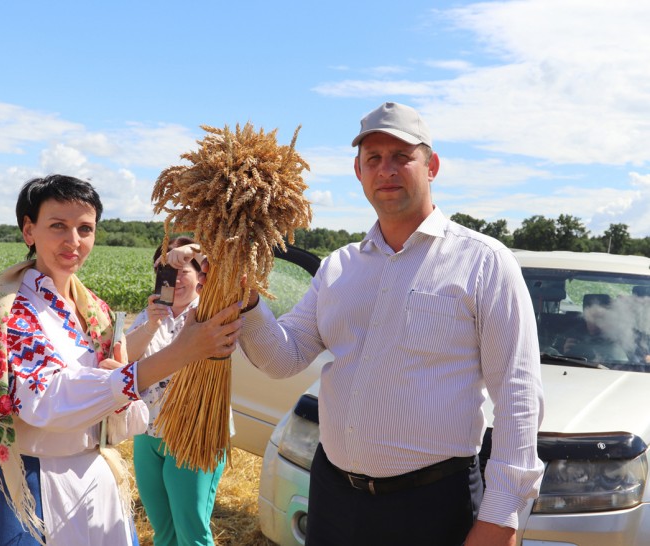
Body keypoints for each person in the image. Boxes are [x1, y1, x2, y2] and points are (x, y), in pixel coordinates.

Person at [207, 102, 544, 545]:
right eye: (374, 159)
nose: (386, 169)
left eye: (402, 156)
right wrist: (247, 300)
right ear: (358, 171)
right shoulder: (339, 267)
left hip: (433, 506)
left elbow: (518, 396)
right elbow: (283, 357)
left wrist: (500, 518)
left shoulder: (484, 263)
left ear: (432, 165)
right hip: (333, 497)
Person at [0, 175, 242, 546]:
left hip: (96, 479)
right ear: (29, 230)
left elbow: (111, 380)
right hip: (38, 483)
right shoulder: (10, 310)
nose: (74, 241)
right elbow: (45, 396)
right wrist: (179, 354)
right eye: (58, 226)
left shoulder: (92, 309)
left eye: (85, 228)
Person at [125, 237, 230, 546]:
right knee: (164, 532)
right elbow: (126, 359)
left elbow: (230, 267)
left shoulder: (213, 310)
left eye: (183, 269)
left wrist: (193, 250)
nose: (175, 278)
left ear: (201, 274)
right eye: (165, 270)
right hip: (149, 432)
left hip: (194, 434)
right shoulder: (151, 313)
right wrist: (149, 326)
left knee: (191, 534)